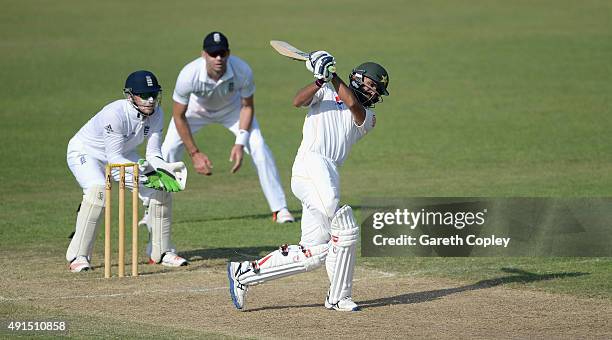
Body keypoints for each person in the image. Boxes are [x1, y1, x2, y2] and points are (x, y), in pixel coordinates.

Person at [227, 52, 390, 311]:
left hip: (327, 172)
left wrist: (331, 74)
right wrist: (318, 79)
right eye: (371, 85)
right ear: (358, 79)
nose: (373, 93)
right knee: (345, 227)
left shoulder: (367, 117)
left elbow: (353, 106)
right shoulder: (325, 91)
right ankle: (338, 297)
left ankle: (243, 273)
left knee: (312, 254)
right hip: (310, 164)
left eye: (377, 90)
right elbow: (296, 101)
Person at [161, 31, 294, 223]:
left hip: (232, 111)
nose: (218, 58)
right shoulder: (188, 75)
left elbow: (247, 106)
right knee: (168, 149)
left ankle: (280, 209)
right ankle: (159, 207)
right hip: (195, 111)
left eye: (222, 53)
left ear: (228, 54)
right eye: (213, 53)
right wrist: (194, 153)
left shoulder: (242, 70)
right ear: (203, 54)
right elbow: (178, 115)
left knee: (258, 146)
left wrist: (240, 143)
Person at [66, 70, 189, 272]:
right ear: (130, 95)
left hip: (124, 153)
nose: (150, 100)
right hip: (87, 153)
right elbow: (114, 161)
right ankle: (78, 256)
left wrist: (162, 169)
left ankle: (161, 252)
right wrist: (145, 169)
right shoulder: (115, 114)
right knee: (98, 191)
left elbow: (154, 153)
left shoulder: (158, 113)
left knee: (160, 191)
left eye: (154, 94)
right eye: (144, 95)